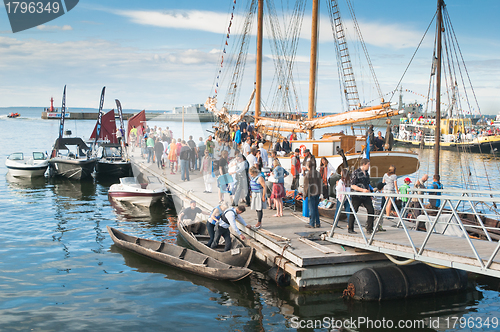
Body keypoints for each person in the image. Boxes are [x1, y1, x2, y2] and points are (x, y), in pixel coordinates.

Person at [347, 158, 375, 234]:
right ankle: (350, 228)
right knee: (354, 210)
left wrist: (370, 193)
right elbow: (352, 185)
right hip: (357, 195)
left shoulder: (367, 173)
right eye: (368, 164)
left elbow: (367, 184)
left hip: (366, 195)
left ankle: (369, 228)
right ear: (363, 164)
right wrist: (362, 190)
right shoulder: (356, 172)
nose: (369, 166)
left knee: (371, 210)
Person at [304, 160, 322, 228]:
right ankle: (318, 223)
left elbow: (306, 186)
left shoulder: (308, 175)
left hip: (311, 194)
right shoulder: (318, 173)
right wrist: (320, 192)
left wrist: (304, 195)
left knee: (311, 209)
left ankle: (311, 223)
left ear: (308, 166)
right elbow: (321, 184)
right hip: (317, 193)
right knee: (315, 208)